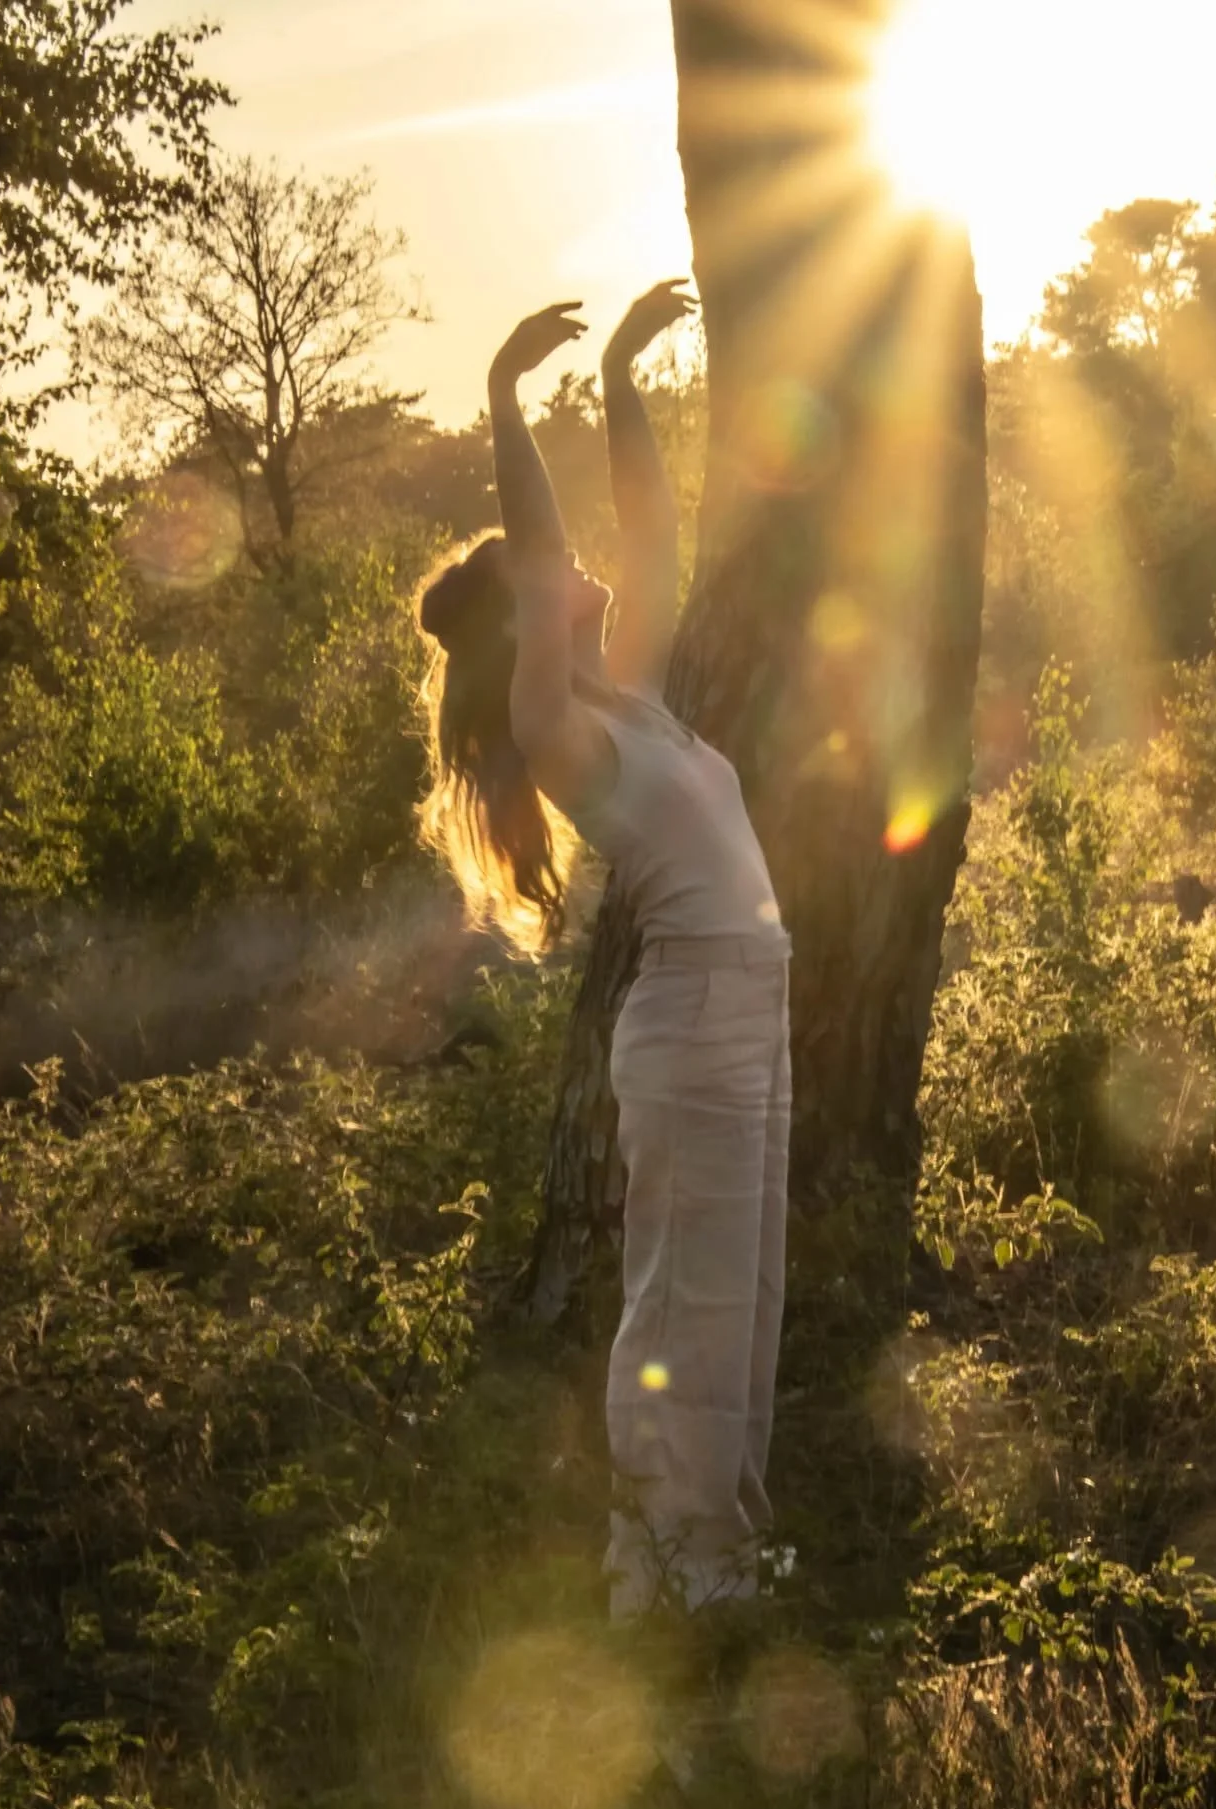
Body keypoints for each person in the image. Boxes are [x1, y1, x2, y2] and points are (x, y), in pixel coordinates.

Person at [418, 283, 792, 1620]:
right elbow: (549, 532)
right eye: (547, 572)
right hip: (693, 1024)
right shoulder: (552, 724)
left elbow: (652, 533)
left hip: (750, 1013)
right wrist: (505, 403)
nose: (583, 568)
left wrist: (631, 383)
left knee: (740, 1304)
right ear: (523, 615)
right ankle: (664, 1583)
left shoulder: (627, 689)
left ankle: (722, 1567)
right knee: (682, 1312)